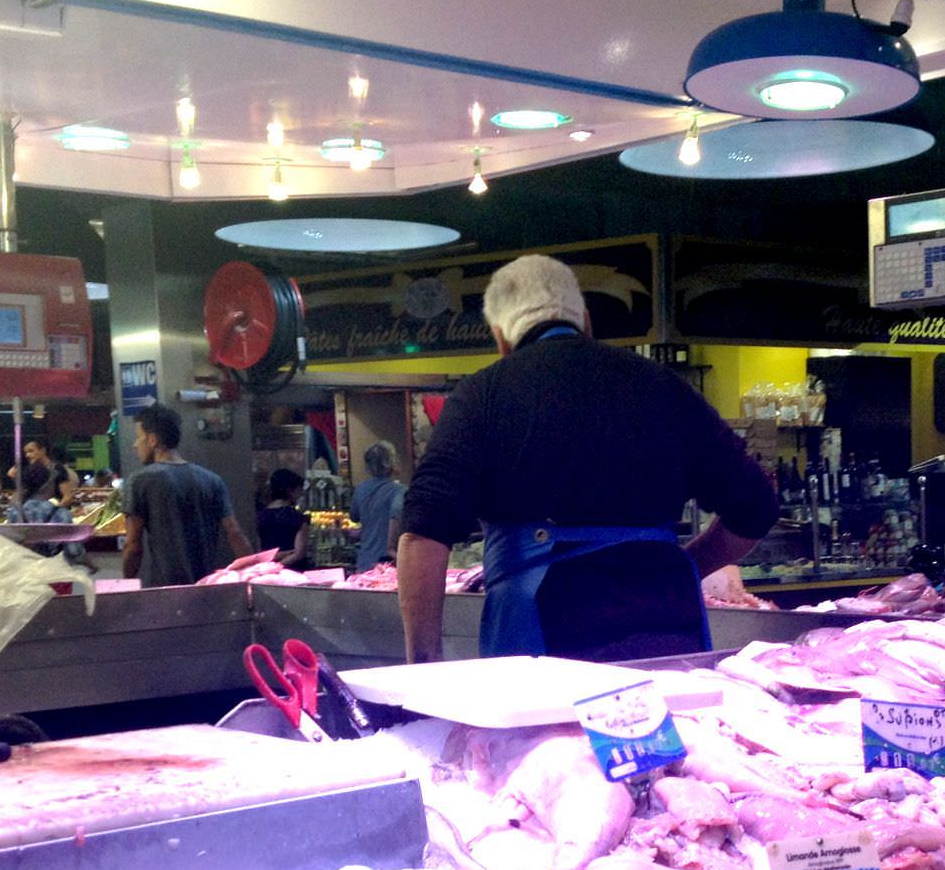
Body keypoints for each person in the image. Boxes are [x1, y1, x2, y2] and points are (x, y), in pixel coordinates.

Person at [398, 254, 777, 663]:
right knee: (665, 726)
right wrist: (679, 565)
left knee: (549, 731)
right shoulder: (663, 386)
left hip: (547, 643)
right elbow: (755, 506)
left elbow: (423, 535)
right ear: (586, 321)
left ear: (501, 339)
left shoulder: (483, 394)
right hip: (669, 629)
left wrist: (423, 666)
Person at [121, 402, 251, 587]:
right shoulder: (211, 480)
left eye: (138, 437)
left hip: (165, 591)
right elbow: (235, 532)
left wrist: (127, 582)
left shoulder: (140, 481)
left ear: (152, 440)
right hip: (207, 587)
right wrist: (252, 574)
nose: (135, 445)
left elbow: (133, 546)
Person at [10, 460, 89, 567]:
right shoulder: (61, 514)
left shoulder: (15, 512)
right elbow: (73, 551)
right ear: (47, 485)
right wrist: (88, 563)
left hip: (25, 571)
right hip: (55, 573)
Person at [351, 439, 405, 573]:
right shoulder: (400, 491)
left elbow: (354, 517)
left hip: (364, 561)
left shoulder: (360, 489)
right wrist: (391, 548)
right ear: (391, 463)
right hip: (387, 563)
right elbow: (396, 516)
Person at [258, 468, 311, 569]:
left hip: (266, 569)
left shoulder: (260, 516)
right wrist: (279, 566)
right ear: (290, 491)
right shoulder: (298, 517)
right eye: (299, 491)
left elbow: (260, 552)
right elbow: (299, 553)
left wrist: (270, 567)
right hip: (295, 571)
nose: (300, 495)